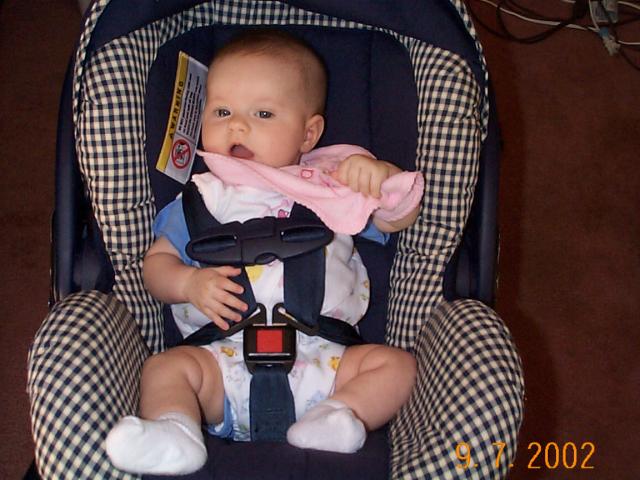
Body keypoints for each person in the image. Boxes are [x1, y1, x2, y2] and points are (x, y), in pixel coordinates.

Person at [105, 29, 419, 475]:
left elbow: (394, 218)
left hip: (326, 359)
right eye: (222, 111)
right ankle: (176, 430)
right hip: (220, 362)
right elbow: (155, 267)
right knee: (164, 368)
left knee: (397, 366)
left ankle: (334, 418)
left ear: (308, 133)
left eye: (263, 113)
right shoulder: (202, 197)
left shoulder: (332, 189)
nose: (237, 125)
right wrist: (188, 283)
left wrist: (378, 177)